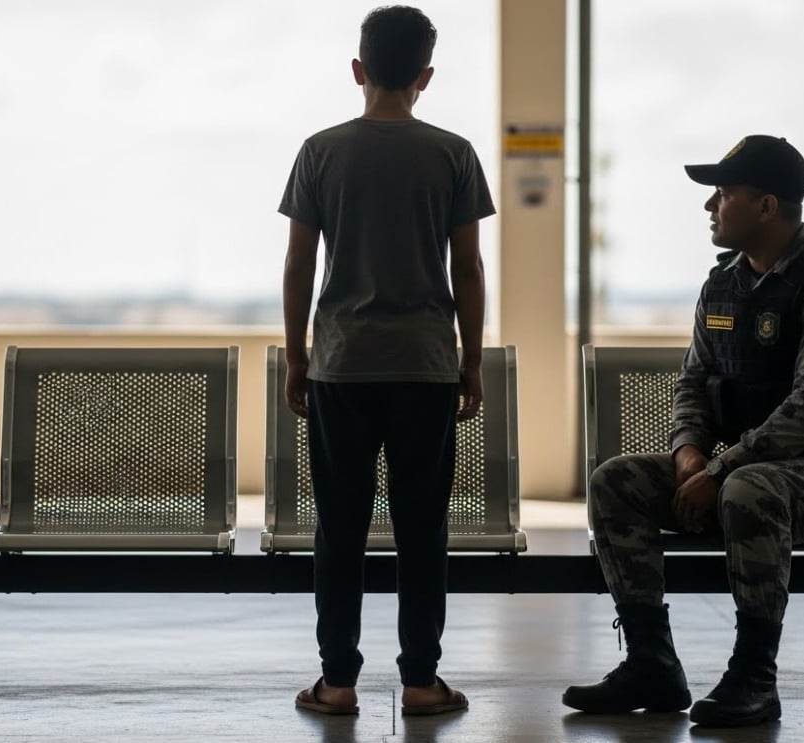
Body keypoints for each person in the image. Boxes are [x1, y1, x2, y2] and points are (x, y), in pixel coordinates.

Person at [562, 135, 804, 727]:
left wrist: (720, 469)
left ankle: (754, 678)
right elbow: (693, 383)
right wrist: (689, 453)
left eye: (723, 193)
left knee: (749, 488)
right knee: (616, 481)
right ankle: (651, 664)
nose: (710, 205)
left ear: (766, 206)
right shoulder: (722, 286)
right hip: (738, 474)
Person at [278, 5, 494, 717]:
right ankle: (422, 682)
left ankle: (337, 682)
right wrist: (471, 361)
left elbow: (299, 265)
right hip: (425, 368)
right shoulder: (454, 154)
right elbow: (468, 268)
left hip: (341, 366)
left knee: (340, 527)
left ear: (358, 69)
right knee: (422, 529)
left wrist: (297, 357)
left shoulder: (321, 151)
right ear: (425, 76)